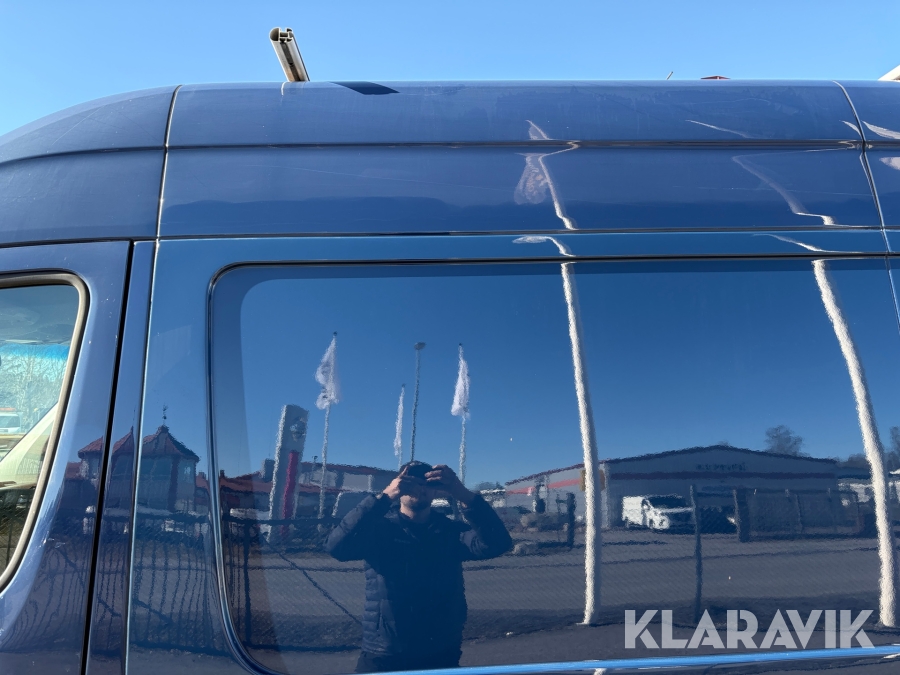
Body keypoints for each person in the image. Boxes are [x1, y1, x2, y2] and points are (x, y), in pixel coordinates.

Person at [325, 461, 512, 673]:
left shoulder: (450, 532)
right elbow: (337, 547)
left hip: (439, 649)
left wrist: (462, 494)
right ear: (397, 486)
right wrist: (384, 497)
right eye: (410, 482)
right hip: (385, 651)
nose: (419, 488)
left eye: (427, 483)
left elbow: (498, 544)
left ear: (436, 491)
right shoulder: (379, 530)